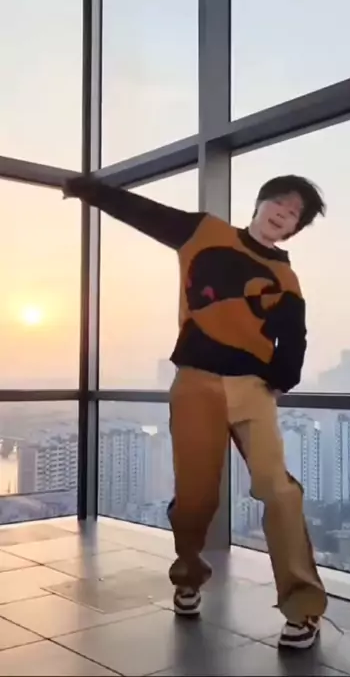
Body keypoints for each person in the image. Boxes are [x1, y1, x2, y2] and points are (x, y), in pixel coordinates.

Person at [63, 173, 327, 650]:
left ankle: (303, 608)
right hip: (195, 384)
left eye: (294, 215)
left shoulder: (286, 278)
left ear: (294, 230)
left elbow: (294, 337)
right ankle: (188, 576)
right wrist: (91, 190)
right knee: (195, 500)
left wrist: (281, 378)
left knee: (280, 491)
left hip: (253, 390)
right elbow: (144, 214)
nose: (283, 214)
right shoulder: (205, 232)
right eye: (279, 203)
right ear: (260, 202)